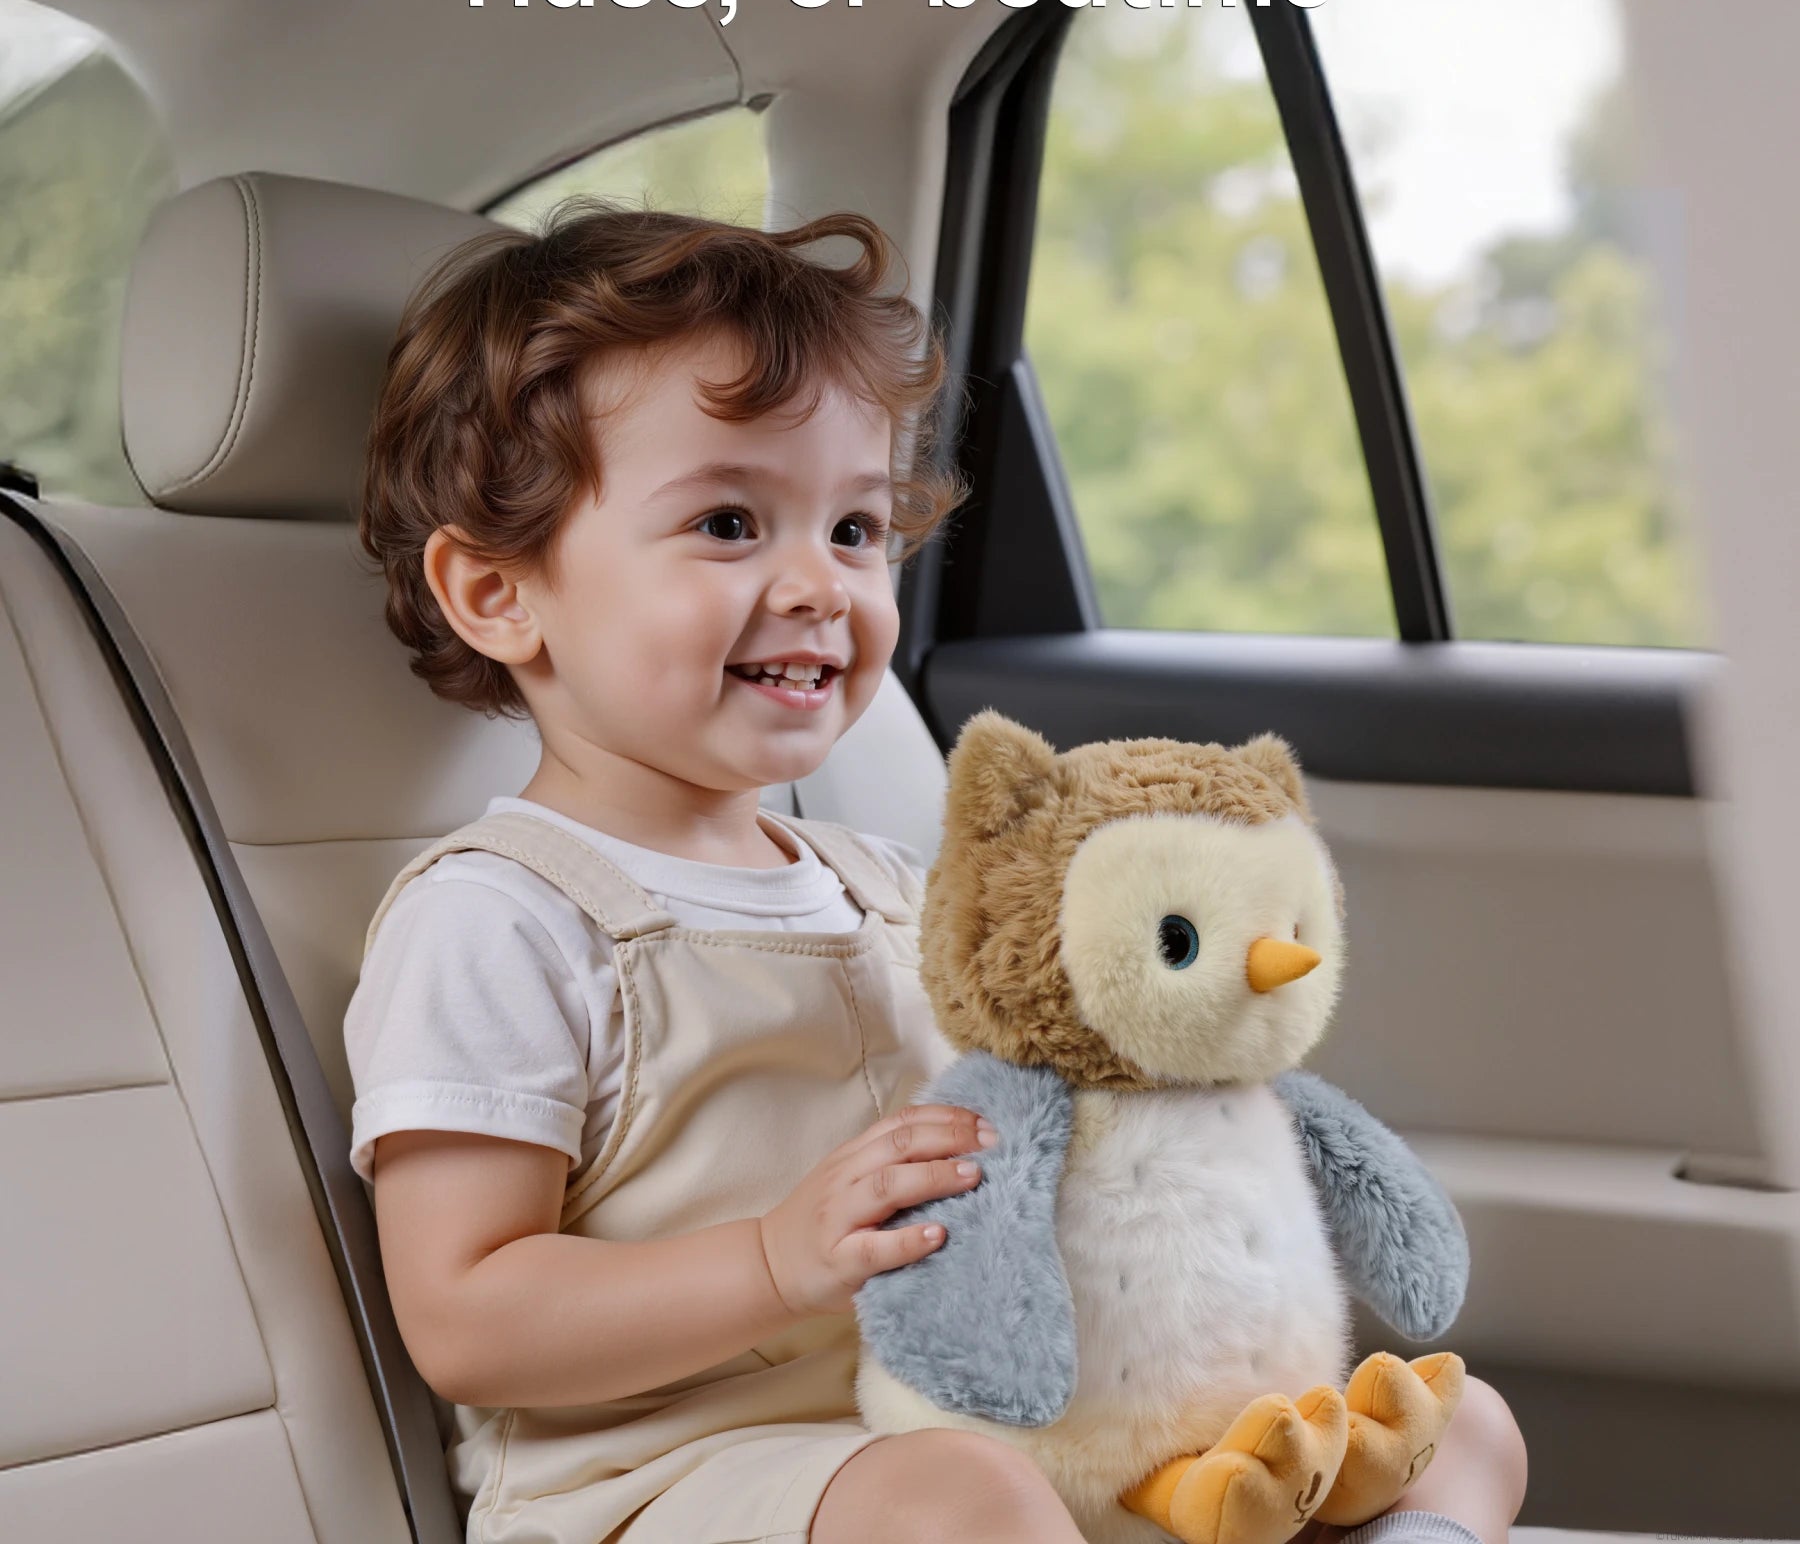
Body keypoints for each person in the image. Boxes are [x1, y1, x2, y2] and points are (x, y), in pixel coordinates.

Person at [347, 199, 1527, 1544]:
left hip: (975, 1431)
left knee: (1446, 1422)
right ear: (501, 594)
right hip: (677, 1477)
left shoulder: (888, 883)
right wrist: (773, 1261)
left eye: (854, 530)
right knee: (967, 1502)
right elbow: (464, 1317)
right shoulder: (502, 918)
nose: (819, 583)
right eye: (730, 523)